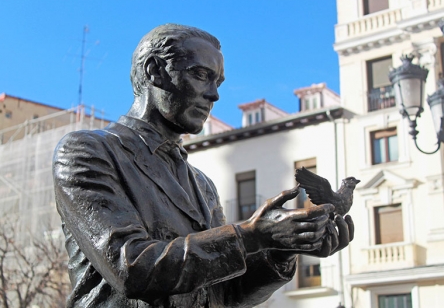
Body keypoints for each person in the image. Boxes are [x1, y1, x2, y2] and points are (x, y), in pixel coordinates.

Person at [53, 24, 354, 308]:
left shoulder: (202, 184)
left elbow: (225, 294)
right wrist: (252, 235)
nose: (214, 94)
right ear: (155, 71)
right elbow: (131, 266)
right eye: (201, 75)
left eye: (218, 82)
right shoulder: (88, 151)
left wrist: (283, 248)